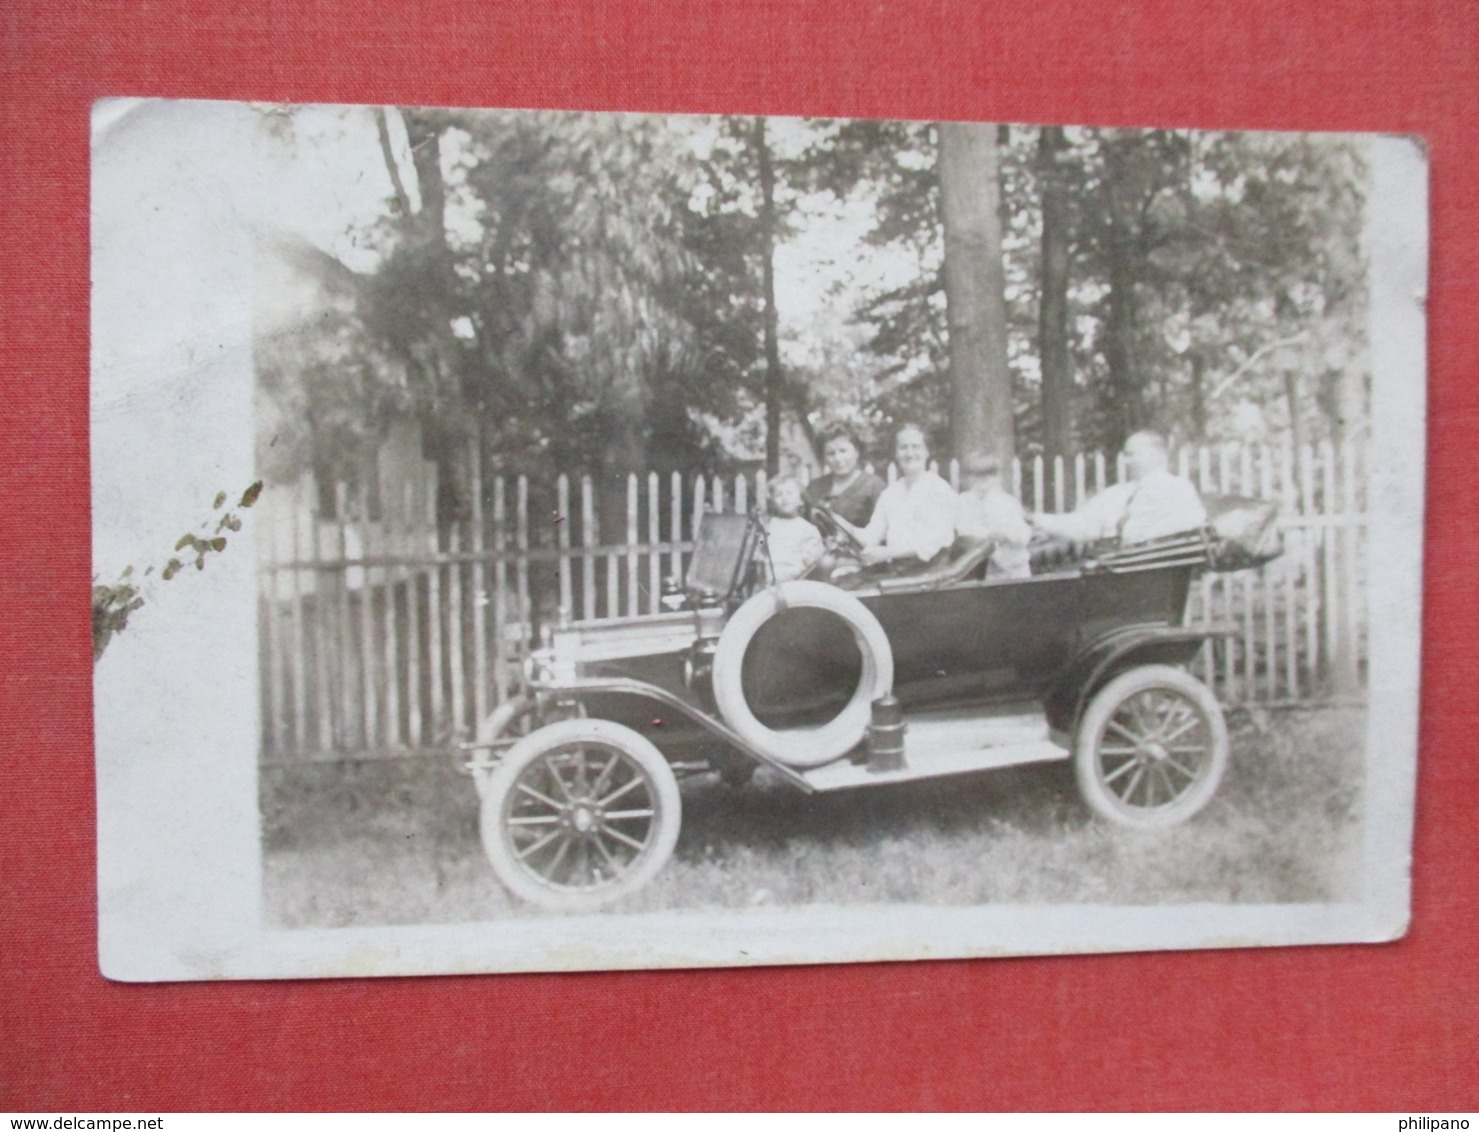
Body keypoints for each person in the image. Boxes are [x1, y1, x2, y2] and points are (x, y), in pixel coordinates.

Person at [1029, 430, 1206, 545]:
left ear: (1156, 455)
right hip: (1112, 570)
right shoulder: (1117, 493)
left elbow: (1190, 532)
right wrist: (1036, 519)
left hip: (1156, 571)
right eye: (1125, 455)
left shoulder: (1177, 489)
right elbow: (1082, 524)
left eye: (1132, 455)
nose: (1126, 461)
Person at [849, 423, 957, 573]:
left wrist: (886, 553)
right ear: (896, 454)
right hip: (898, 572)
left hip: (932, 574)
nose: (910, 453)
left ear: (927, 452)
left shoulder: (939, 489)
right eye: (903, 447)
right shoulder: (891, 493)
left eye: (916, 447)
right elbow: (872, 535)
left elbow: (932, 542)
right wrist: (843, 526)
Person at [954, 454, 1032, 578]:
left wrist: (1007, 535)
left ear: (997, 477)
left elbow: (1023, 534)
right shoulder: (963, 501)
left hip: (1011, 566)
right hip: (979, 565)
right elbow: (963, 530)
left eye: (989, 474)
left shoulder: (1008, 502)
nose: (983, 479)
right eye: (978, 475)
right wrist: (986, 536)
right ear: (969, 477)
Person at [803, 424, 886, 530]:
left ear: (857, 452)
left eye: (843, 451)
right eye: (831, 453)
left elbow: (882, 530)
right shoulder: (814, 487)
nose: (838, 458)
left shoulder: (874, 486)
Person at [760, 475, 825, 583]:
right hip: (768, 579)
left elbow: (813, 563)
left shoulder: (807, 529)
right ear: (772, 502)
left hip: (795, 582)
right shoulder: (768, 526)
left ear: (801, 500)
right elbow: (760, 547)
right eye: (778, 494)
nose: (784, 498)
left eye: (789, 493)